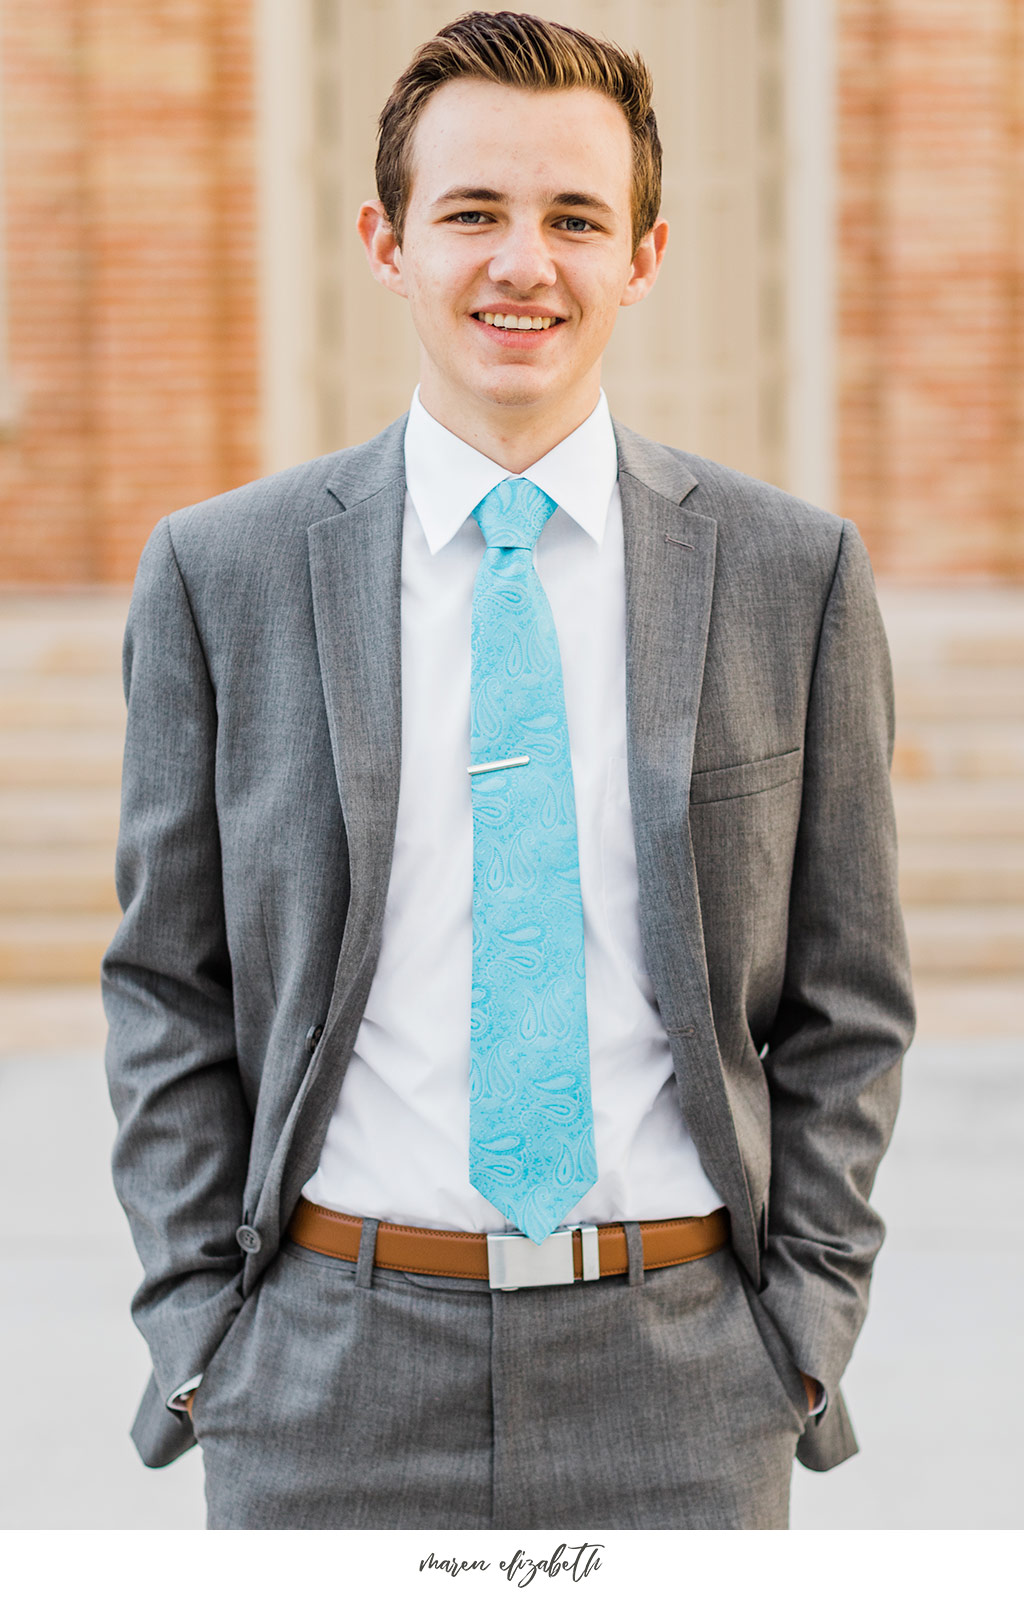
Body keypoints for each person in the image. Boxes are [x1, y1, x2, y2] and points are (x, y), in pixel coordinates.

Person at [103, 10, 914, 1531]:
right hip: (323, 1384)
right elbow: (168, 984)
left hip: (682, 1386)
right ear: (387, 241)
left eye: (574, 219)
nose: (521, 263)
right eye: (471, 211)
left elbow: (847, 1002)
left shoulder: (789, 576)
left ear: (645, 255)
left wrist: (798, 1340)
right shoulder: (224, 575)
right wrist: (203, 1335)